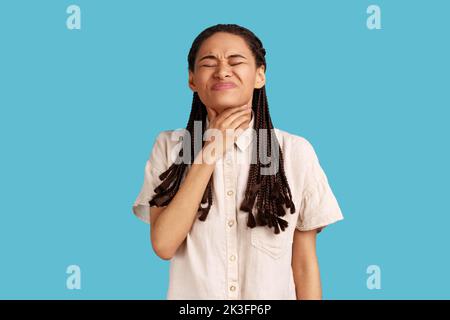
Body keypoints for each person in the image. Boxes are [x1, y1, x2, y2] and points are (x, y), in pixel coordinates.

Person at [132, 24, 344, 300]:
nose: (222, 71)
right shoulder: (170, 147)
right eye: (208, 63)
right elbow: (163, 245)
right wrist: (210, 151)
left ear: (260, 75)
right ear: (192, 80)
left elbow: (304, 264)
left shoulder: (295, 151)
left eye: (235, 61)